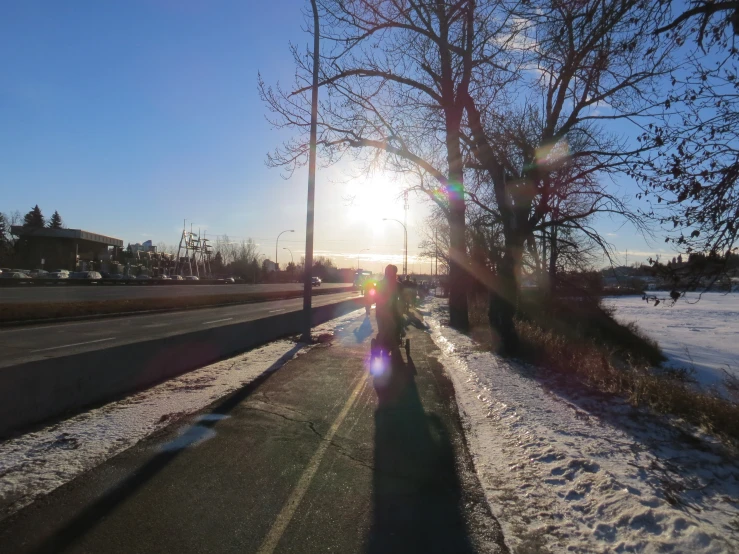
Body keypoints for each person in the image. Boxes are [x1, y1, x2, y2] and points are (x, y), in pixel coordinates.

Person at [375, 264, 403, 349]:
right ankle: (391, 340)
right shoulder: (398, 285)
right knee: (394, 326)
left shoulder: (380, 284)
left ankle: (383, 340)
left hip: (383, 310)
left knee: (383, 328)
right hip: (391, 311)